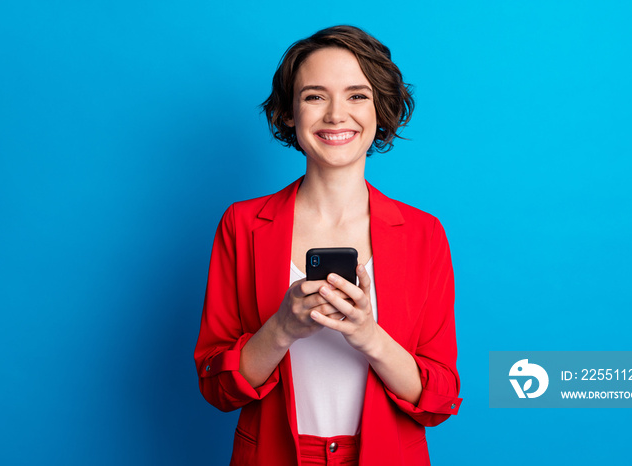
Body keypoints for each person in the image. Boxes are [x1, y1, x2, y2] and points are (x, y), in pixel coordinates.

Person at [194, 25, 462, 466]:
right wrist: (282, 327)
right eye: (315, 96)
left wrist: (368, 335)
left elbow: (439, 399)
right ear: (287, 113)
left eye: (357, 95)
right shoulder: (242, 225)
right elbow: (216, 387)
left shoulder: (422, 233)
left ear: (382, 109)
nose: (337, 115)